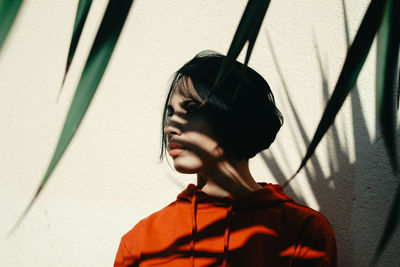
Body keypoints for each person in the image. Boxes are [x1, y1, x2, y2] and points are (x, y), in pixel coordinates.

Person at [114, 51, 337, 267]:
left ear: (235, 116)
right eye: (171, 113)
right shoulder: (141, 241)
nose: (170, 127)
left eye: (191, 110)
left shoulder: (303, 232)